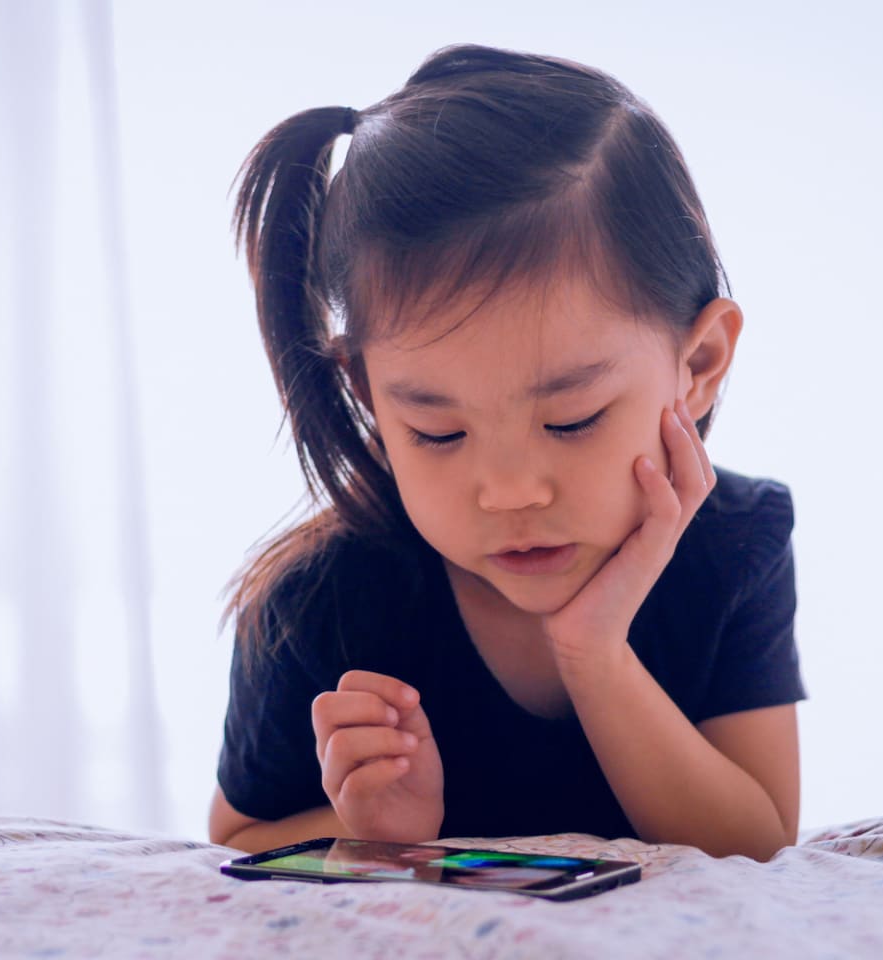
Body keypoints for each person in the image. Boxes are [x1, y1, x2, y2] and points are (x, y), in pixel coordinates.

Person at [208, 44, 806, 863]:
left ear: (698, 364)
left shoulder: (736, 543)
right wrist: (376, 833)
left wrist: (594, 655)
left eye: (572, 420)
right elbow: (235, 838)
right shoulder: (319, 603)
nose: (509, 492)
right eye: (438, 434)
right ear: (366, 394)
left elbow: (759, 845)